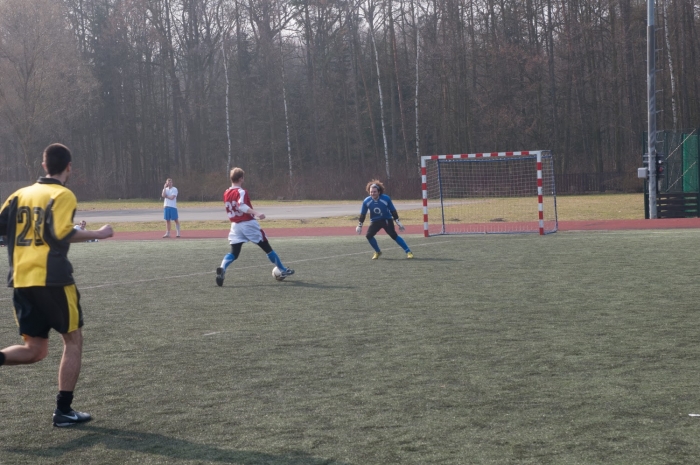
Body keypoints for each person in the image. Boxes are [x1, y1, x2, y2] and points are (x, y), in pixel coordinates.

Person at [0, 143, 114, 427]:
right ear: (69, 167)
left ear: (44, 165)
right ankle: (63, 411)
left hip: (21, 280)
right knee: (73, 340)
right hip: (53, 280)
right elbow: (61, 232)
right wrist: (98, 233)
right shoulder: (62, 194)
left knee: (35, 350)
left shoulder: (18, 195)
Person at [215, 168, 294, 286]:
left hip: (235, 225)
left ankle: (222, 268)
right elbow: (241, 206)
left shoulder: (226, 192)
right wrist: (256, 213)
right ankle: (282, 269)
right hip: (248, 224)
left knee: (234, 252)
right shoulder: (241, 191)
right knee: (266, 247)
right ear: (241, 178)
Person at [356, 179, 413, 259]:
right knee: (369, 236)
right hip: (375, 221)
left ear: (379, 192)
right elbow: (363, 214)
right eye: (371, 192)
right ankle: (377, 252)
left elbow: (393, 211)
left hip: (386, 220)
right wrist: (360, 225)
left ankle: (408, 252)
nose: (372, 193)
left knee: (393, 235)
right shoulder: (366, 201)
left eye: (374, 192)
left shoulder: (386, 199)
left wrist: (398, 222)